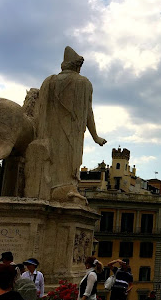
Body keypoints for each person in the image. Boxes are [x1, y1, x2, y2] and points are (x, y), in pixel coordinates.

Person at [32, 46, 106, 203]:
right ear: (78, 66)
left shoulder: (49, 81)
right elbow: (88, 112)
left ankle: (50, 190)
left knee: (51, 162)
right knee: (69, 166)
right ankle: (66, 191)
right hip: (72, 133)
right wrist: (95, 136)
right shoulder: (84, 83)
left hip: (49, 133)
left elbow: (40, 109)